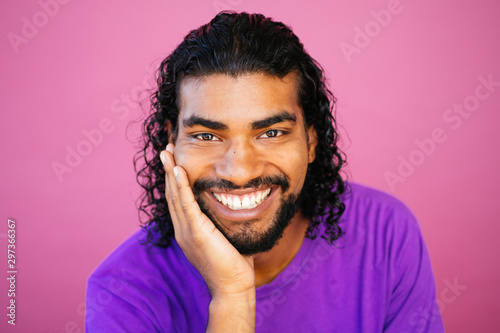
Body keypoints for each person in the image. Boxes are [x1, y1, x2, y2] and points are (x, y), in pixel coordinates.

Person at [85, 11, 444, 332]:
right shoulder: (123, 291)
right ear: (172, 143)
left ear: (311, 141)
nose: (240, 171)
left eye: (271, 133)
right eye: (207, 135)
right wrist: (231, 296)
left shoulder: (385, 234)